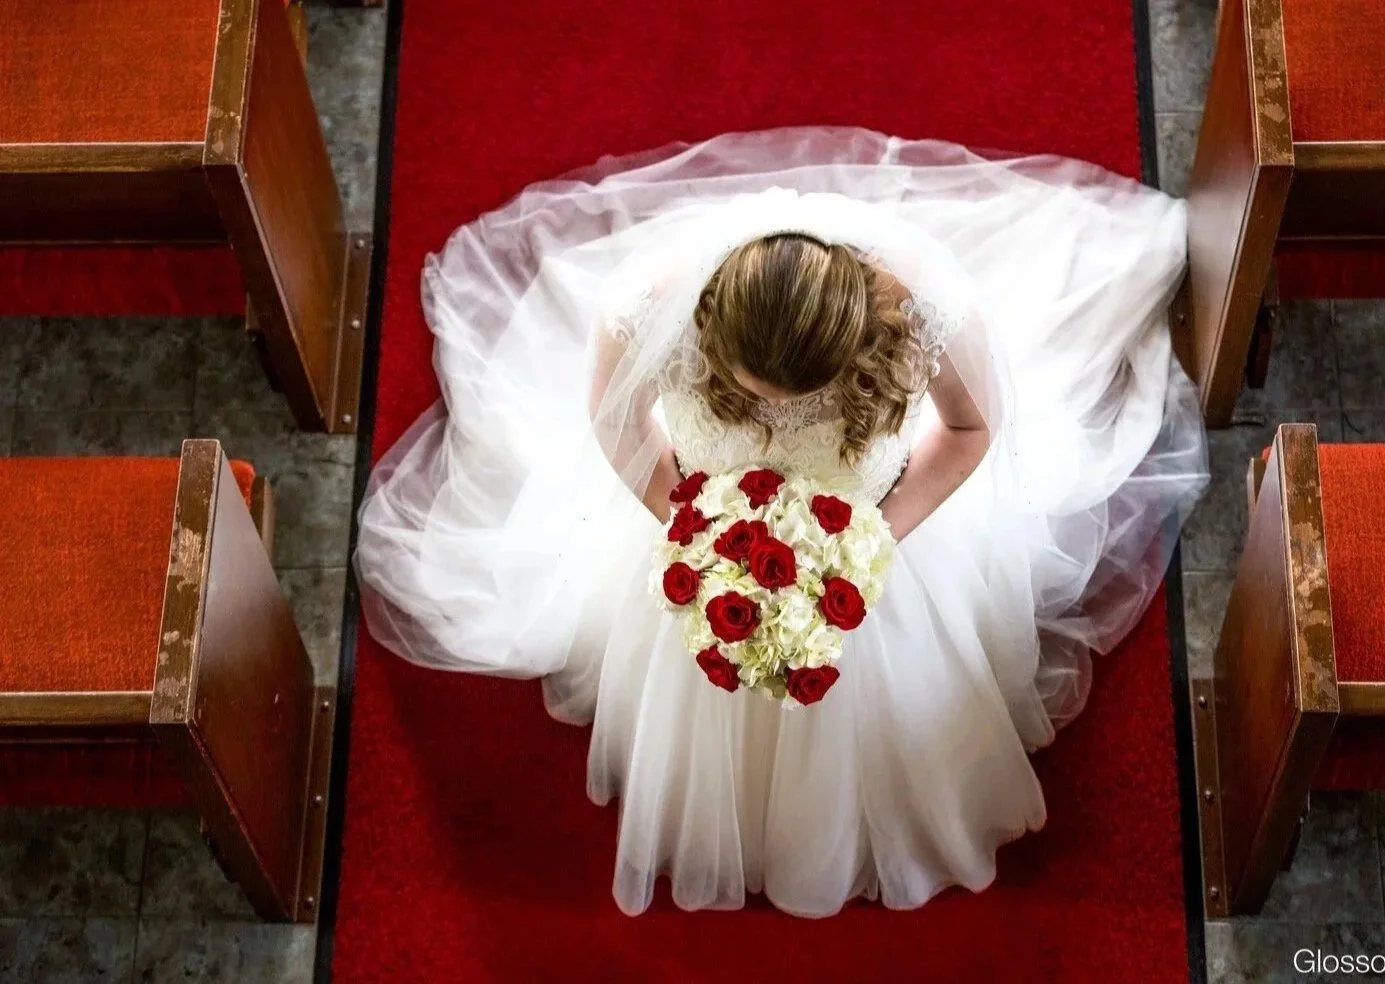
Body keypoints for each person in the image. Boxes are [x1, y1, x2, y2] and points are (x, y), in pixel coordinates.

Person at [355, 127, 1209, 918]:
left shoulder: (917, 310)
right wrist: (691, 526)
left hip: (877, 538)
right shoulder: (646, 310)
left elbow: (971, 430)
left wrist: (868, 541)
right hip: (712, 524)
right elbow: (615, 426)